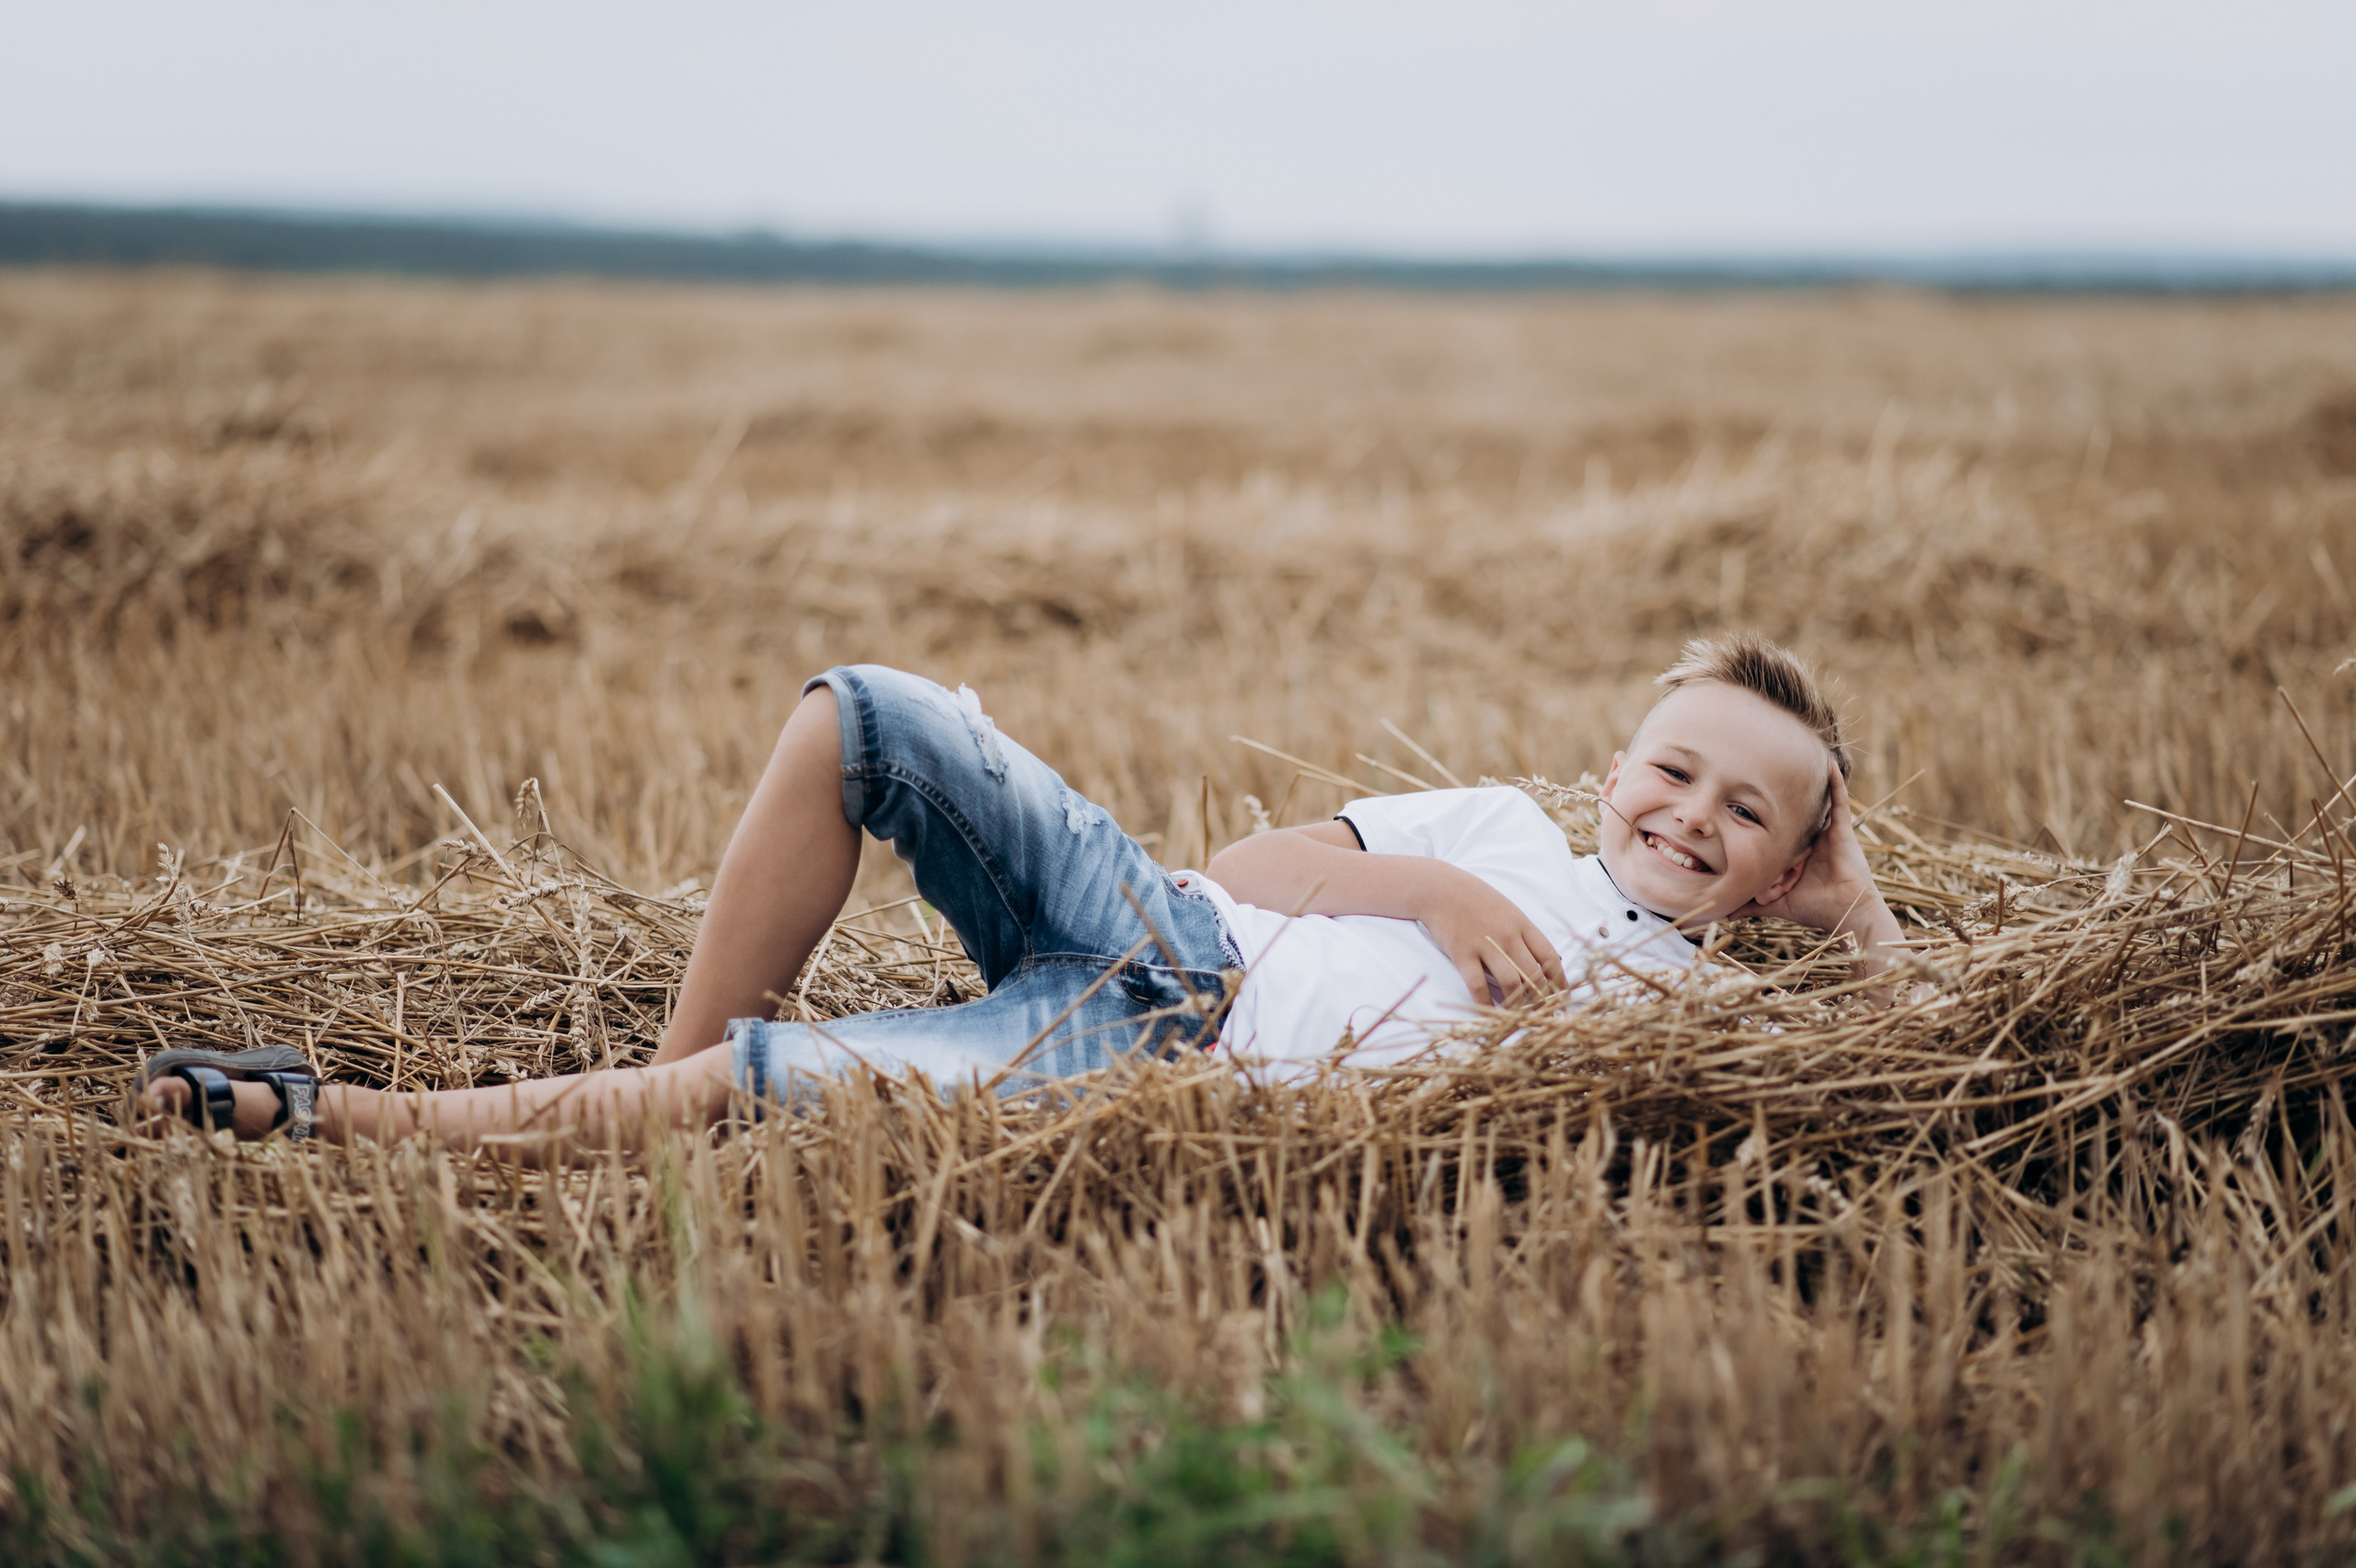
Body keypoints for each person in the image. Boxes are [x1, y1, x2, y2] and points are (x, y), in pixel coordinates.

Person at [136, 634, 1909, 1156]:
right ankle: (667, 1088)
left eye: (1753, 816)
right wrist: (1435, 889)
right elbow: (1248, 872)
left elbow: (1920, 1067)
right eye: (1673, 770)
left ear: (1778, 869)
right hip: (1171, 928)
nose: (1692, 816)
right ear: (1620, 767)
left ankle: (348, 1118)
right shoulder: (1502, 832)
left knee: (787, 1098)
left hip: (1156, 1066)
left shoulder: (1715, 1006)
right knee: (869, 717)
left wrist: (1863, 916)